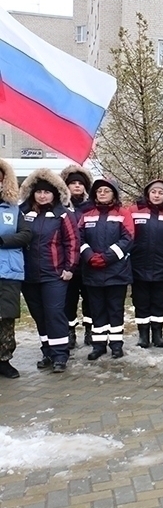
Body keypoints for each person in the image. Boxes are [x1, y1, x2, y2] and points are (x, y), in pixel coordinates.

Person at [19, 169, 79, 373]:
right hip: (29, 276)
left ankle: (60, 355)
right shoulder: (24, 213)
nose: (42, 196)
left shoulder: (63, 214)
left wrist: (69, 267)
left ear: (54, 194)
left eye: (47, 192)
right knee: (39, 315)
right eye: (38, 192)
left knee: (54, 313)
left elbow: (72, 242)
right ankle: (47, 351)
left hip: (54, 275)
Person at [78, 179, 134, 360]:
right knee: (97, 310)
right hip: (92, 272)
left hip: (116, 272)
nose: (102, 193)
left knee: (115, 309)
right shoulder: (87, 215)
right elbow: (79, 238)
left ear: (114, 194)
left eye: (106, 191)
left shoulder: (123, 214)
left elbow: (128, 239)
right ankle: (98, 345)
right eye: (99, 191)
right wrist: (89, 256)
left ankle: (116, 345)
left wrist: (107, 257)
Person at [129, 180, 163, 349]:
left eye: (161, 193)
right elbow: (127, 235)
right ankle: (143, 335)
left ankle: (157, 334)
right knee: (141, 301)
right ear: (147, 193)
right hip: (139, 265)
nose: (157, 195)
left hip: (161, 266)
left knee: (159, 301)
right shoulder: (135, 211)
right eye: (154, 192)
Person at [0, 160, 32, 379]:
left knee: (6, 317)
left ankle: (4, 360)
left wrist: (2, 240)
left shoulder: (13, 209)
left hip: (9, 272)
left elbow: (26, 234)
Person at [60, 164, 94, 348]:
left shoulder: (91, 207)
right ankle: (70, 331)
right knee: (69, 300)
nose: (77, 187)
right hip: (68, 263)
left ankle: (90, 330)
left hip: (88, 262)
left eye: (80, 184)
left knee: (90, 299)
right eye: (73, 183)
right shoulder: (61, 207)